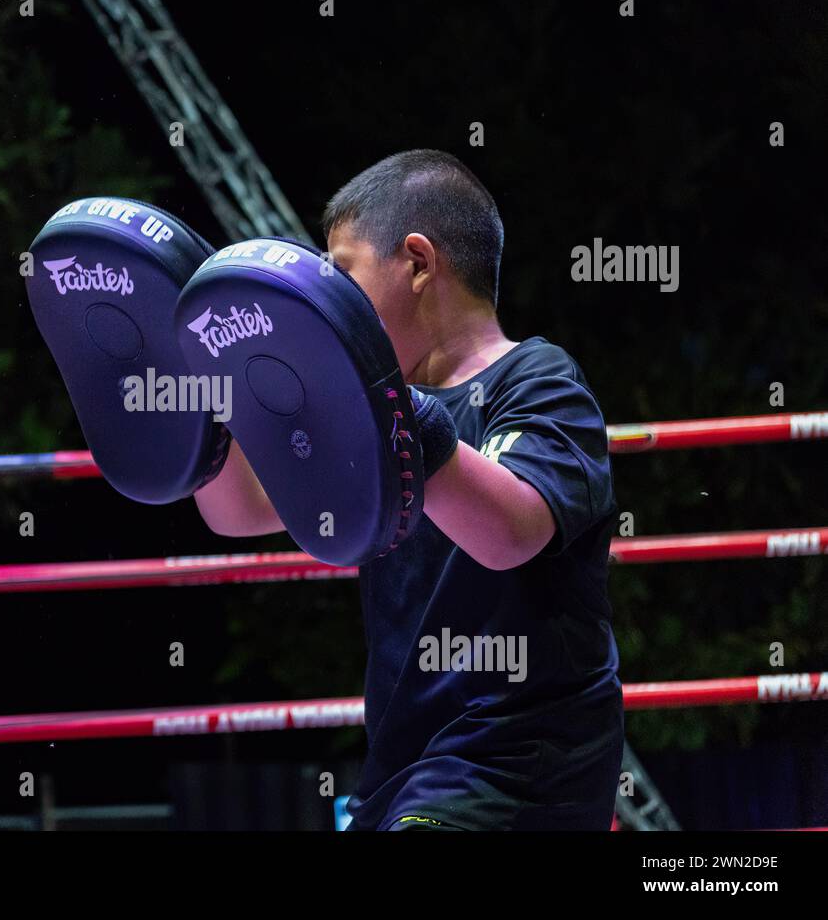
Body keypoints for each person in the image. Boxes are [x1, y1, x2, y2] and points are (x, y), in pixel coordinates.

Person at [194, 150, 624, 830]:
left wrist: (389, 407)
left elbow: (510, 534)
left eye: (343, 276)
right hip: (404, 767)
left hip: (521, 763)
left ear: (419, 264)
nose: (330, 304)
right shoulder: (371, 409)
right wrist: (204, 396)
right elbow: (237, 510)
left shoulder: (539, 380)